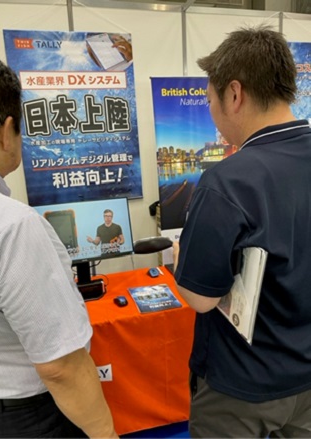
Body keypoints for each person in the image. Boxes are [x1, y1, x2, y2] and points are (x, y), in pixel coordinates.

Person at [173, 25, 311, 438]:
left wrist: (184, 259)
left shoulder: (227, 181)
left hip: (242, 386)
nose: (212, 114)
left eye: (211, 101)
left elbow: (200, 298)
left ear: (235, 94)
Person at [0, 50, 118, 439]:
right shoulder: (10, 227)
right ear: (7, 131)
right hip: (25, 417)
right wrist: (105, 434)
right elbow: (60, 366)